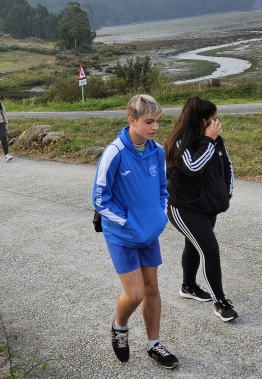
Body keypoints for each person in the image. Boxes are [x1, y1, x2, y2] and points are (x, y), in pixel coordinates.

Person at [92, 94, 179, 370]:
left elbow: (163, 190)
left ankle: (154, 345)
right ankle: (119, 327)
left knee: (153, 288)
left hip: (149, 233)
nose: (155, 127)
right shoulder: (114, 152)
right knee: (136, 294)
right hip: (122, 235)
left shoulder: (156, 151)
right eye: (148, 121)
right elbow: (99, 199)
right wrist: (127, 222)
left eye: (158, 121)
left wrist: (158, 216)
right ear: (132, 121)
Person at [162, 97, 237, 321]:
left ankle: (188, 286)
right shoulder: (178, 141)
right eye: (214, 119)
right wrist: (208, 141)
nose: (218, 123)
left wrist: (226, 193)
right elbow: (194, 166)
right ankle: (220, 302)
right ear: (203, 121)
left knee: (194, 245)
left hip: (207, 205)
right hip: (183, 207)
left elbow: (227, 166)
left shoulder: (216, 140)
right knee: (209, 249)